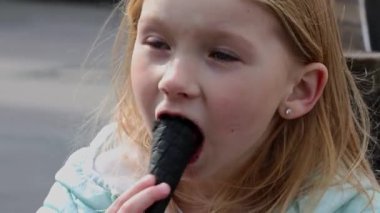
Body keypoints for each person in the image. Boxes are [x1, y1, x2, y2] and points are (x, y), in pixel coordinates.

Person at [38, 0, 380, 212]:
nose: (173, 81)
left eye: (221, 55)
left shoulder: (346, 206)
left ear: (299, 90)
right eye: (158, 43)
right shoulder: (95, 187)